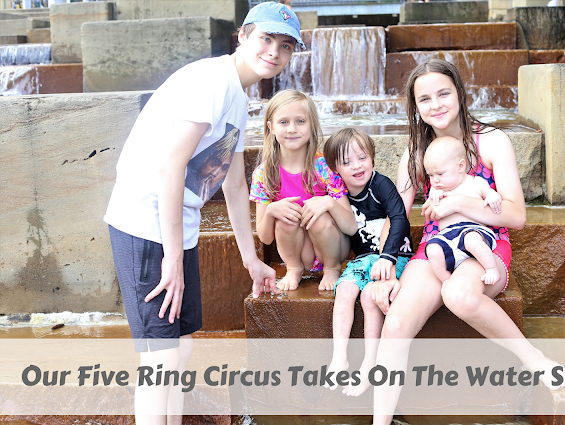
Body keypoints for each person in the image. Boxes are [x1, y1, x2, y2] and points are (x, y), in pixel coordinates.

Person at [103, 2, 304, 423]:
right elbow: (171, 167)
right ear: (243, 36)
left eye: (285, 46)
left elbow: (232, 182)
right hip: (146, 225)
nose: (274, 51)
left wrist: (250, 259)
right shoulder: (212, 83)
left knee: (181, 347)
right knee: (161, 357)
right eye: (266, 39)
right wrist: (171, 259)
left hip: (178, 227)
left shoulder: (237, 95)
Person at [367, 59, 564, 425]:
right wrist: (385, 269)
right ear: (415, 106)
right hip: (435, 248)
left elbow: (516, 215)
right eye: (425, 99)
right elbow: (396, 218)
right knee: (395, 324)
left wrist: (460, 203)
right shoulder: (416, 154)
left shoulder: (491, 141)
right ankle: (381, 421)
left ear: (459, 93)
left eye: (443, 93)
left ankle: (535, 360)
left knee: (458, 294)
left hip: (485, 247)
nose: (436, 104)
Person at [322, 128, 413, 396]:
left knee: (369, 298)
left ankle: (369, 364)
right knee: (346, 290)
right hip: (362, 261)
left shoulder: (380, 184)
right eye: (347, 162)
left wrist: (387, 256)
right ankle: (339, 357)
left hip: (393, 257)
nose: (356, 166)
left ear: (372, 157)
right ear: (335, 168)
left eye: (362, 157)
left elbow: (399, 218)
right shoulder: (339, 193)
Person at [250, 90, 357, 291]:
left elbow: (351, 227)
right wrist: (272, 210)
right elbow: (265, 237)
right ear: (270, 127)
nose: (292, 129)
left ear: (312, 126)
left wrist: (329, 203)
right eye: (283, 122)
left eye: (300, 121)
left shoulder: (325, 167)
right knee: (284, 216)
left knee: (320, 217)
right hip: (300, 252)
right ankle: (294, 269)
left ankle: (332, 269)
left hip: (331, 248)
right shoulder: (264, 174)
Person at [423, 135, 503, 286]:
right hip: (447, 236)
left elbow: (490, 194)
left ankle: (492, 269)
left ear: (460, 166)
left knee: (470, 240)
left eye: (440, 174)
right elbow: (429, 211)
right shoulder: (437, 190)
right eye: (431, 175)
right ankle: (445, 279)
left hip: (475, 231)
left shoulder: (476, 183)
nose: (435, 180)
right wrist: (433, 198)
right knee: (432, 248)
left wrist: (492, 196)